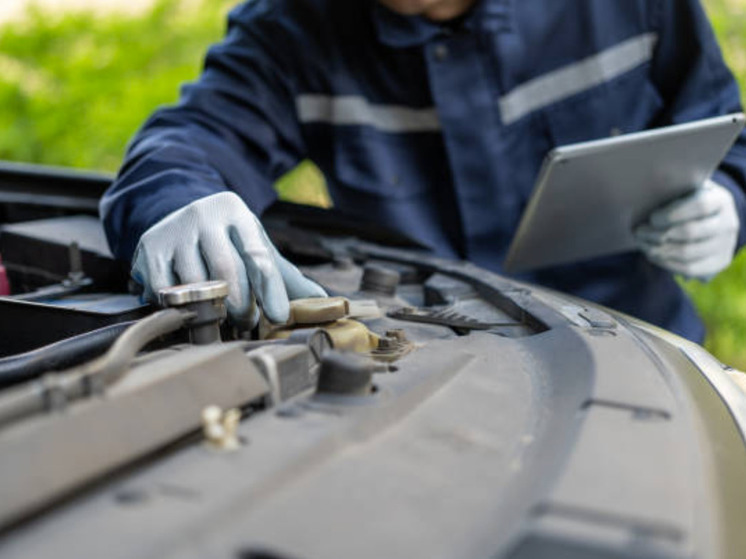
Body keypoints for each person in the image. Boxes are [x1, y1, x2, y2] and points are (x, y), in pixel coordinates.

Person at [100, 0, 746, 342]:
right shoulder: (294, 28)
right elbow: (185, 142)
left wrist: (730, 199)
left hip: (642, 352)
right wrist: (171, 202)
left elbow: (728, 134)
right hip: (432, 373)